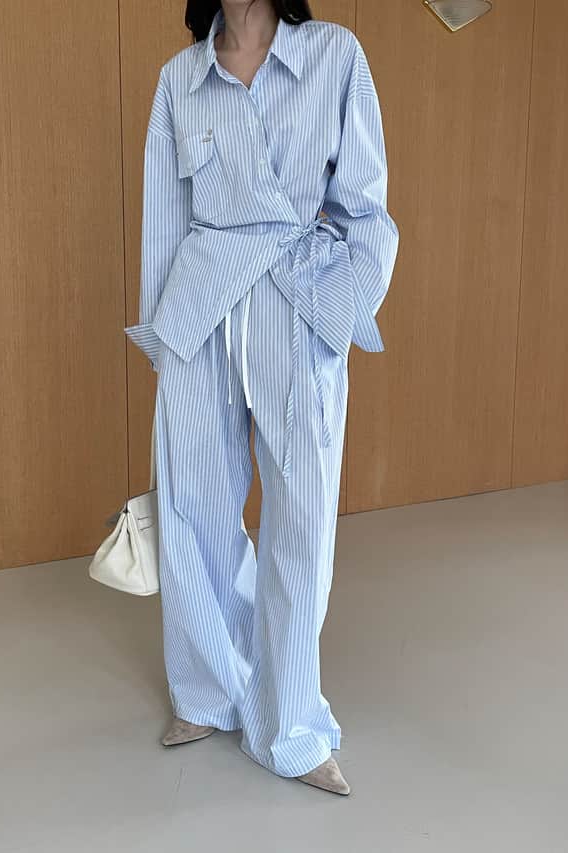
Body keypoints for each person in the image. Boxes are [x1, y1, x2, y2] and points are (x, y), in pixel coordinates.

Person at [125, 0, 399, 796]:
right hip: (200, 305)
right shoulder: (179, 79)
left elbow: (366, 207)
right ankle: (208, 690)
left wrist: (337, 313)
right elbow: (163, 220)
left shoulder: (334, 55)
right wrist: (165, 337)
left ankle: (291, 723)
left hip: (296, 301)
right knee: (194, 509)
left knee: (302, 518)